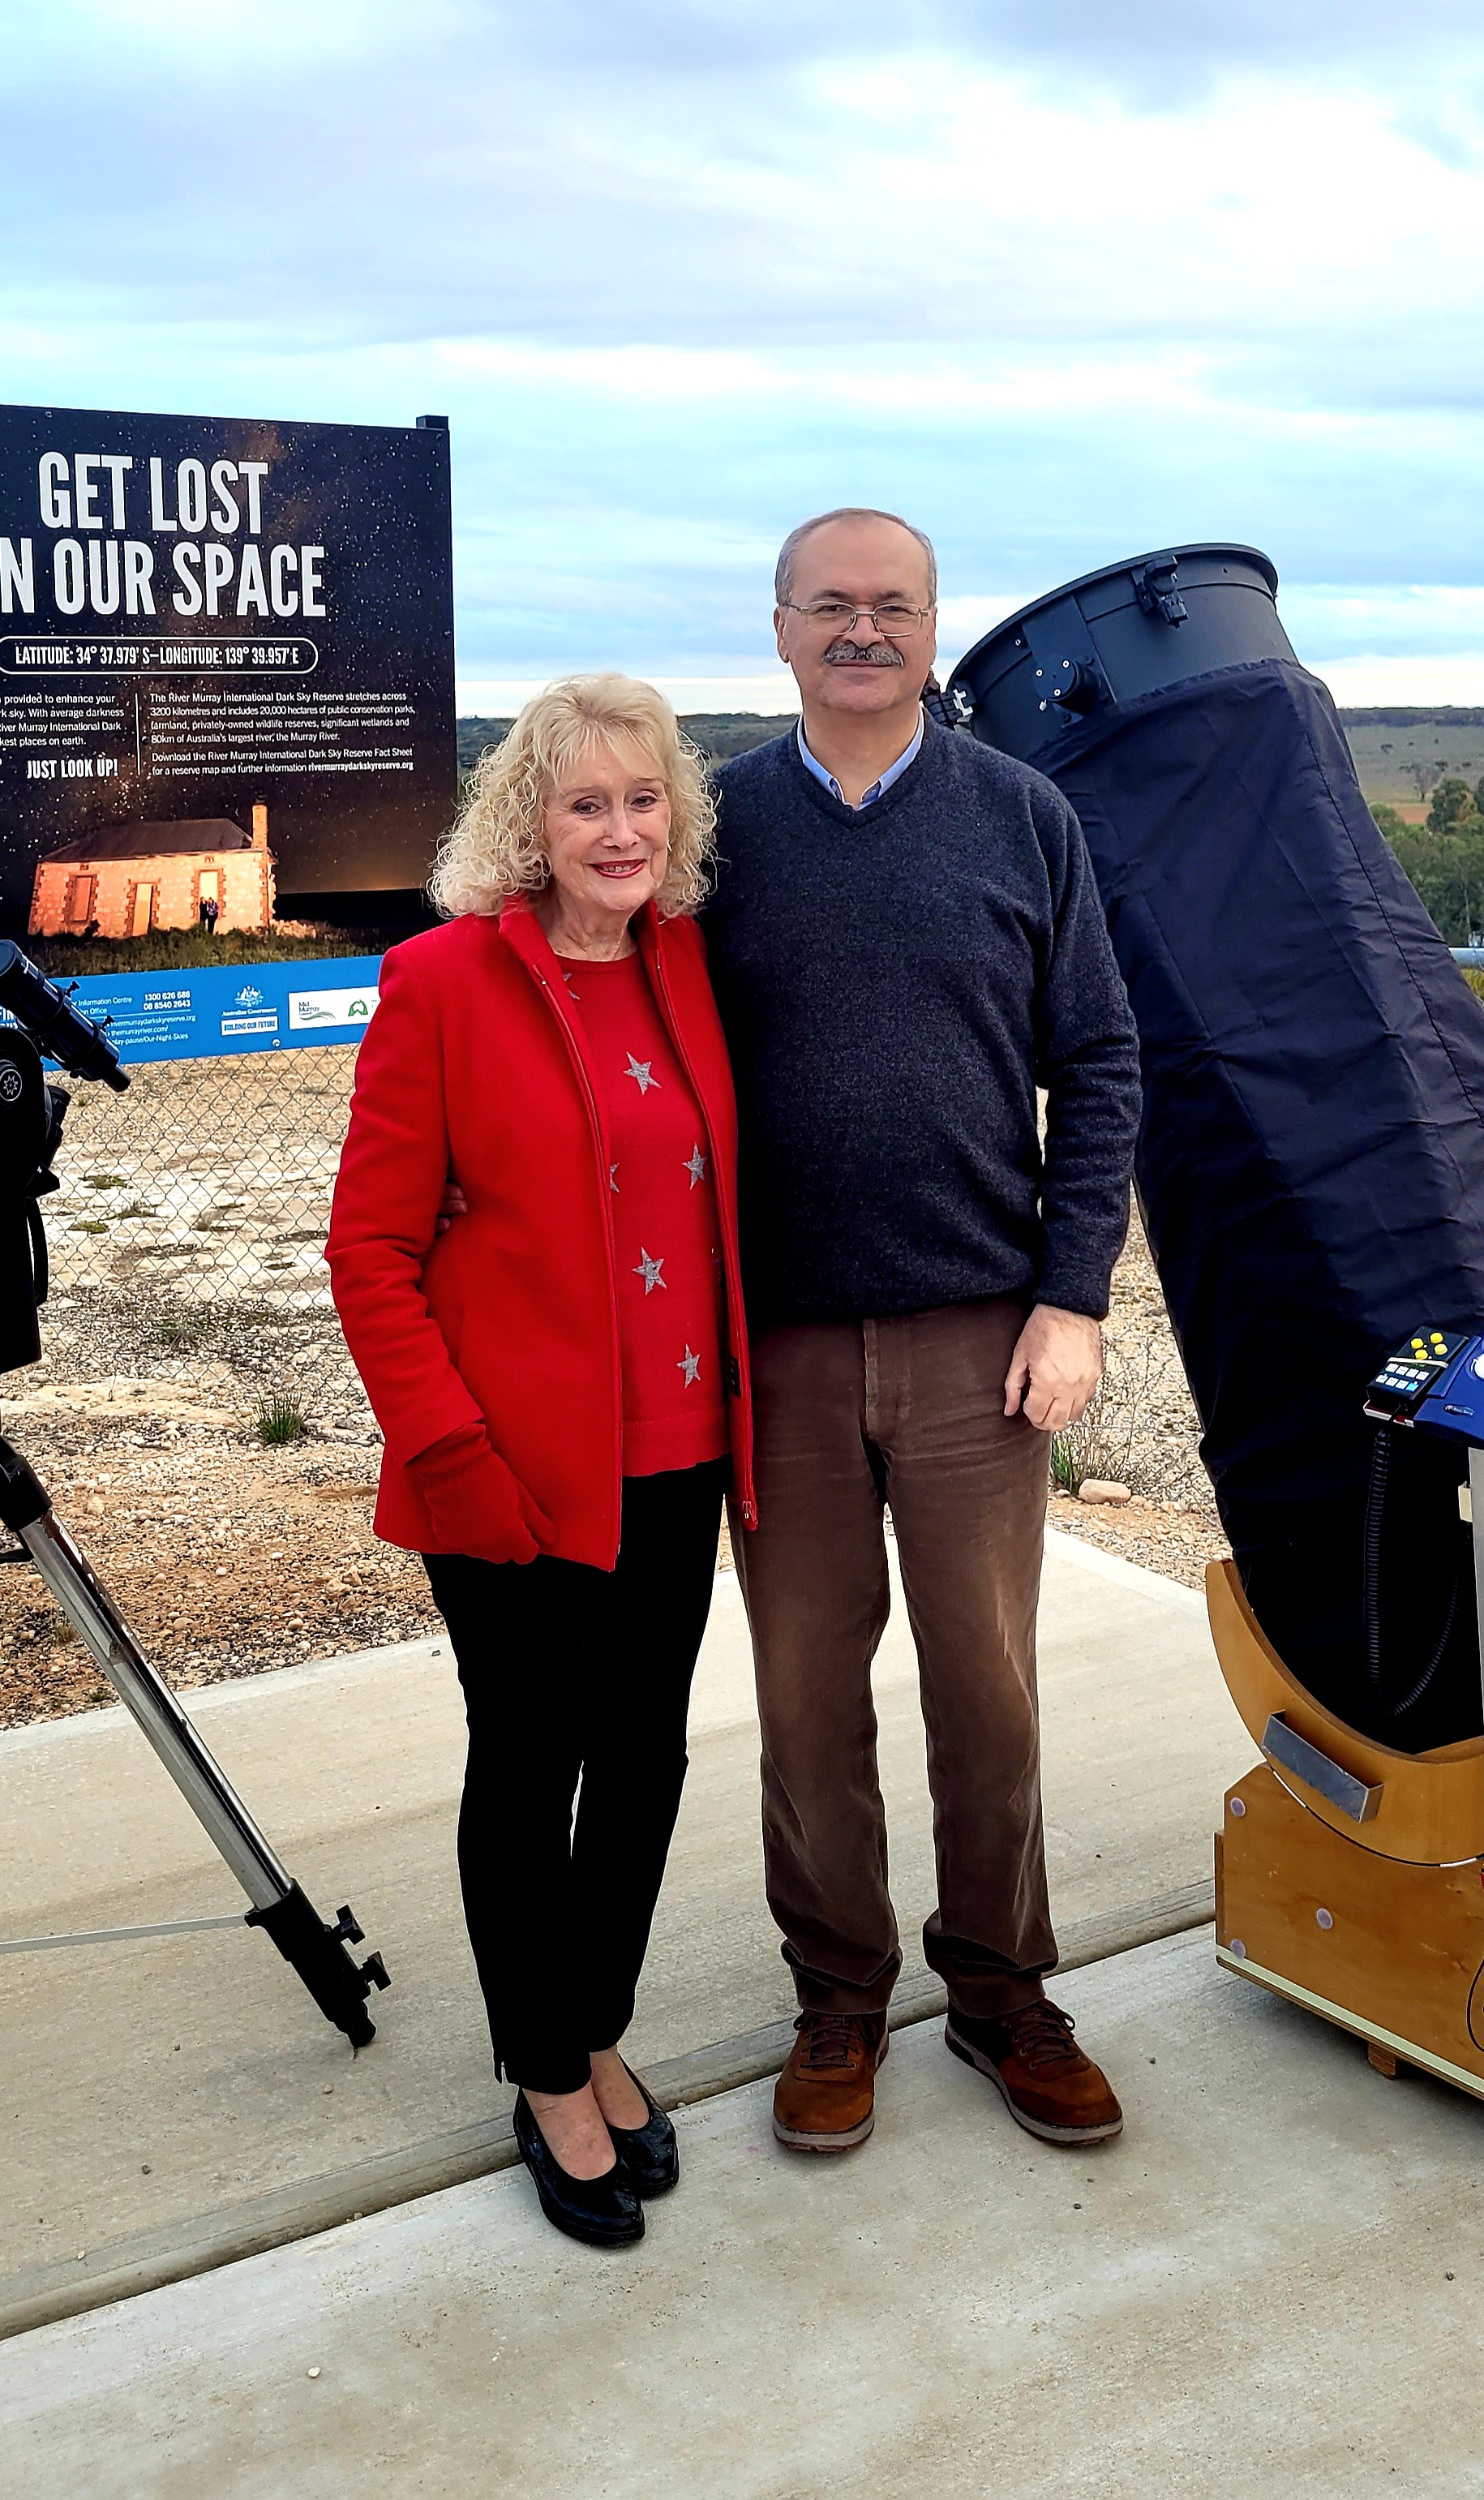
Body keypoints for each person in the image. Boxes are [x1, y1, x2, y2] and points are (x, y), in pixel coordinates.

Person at [701, 507, 1143, 2155]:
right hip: (780, 1349)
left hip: (980, 1339)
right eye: (831, 603)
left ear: (934, 628)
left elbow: (1100, 1061)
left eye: (893, 604)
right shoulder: (712, 832)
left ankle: (1003, 1989)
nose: (863, 628)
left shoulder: (1023, 817)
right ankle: (838, 1994)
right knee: (807, 1702)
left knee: (989, 1692)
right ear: (781, 627)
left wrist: (1073, 1292)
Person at [324, 673, 755, 2249]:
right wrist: (445, 1444)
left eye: (645, 799)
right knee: (530, 1763)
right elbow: (368, 1251)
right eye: (587, 803)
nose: (620, 830)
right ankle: (547, 2071)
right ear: (531, 820)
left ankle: (595, 2023)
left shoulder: (688, 963)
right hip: (510, 1467)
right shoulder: (442, 983)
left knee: (645, 1757)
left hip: (681, 1452)